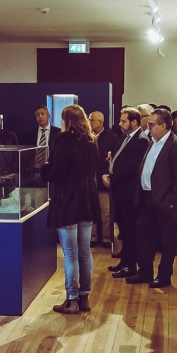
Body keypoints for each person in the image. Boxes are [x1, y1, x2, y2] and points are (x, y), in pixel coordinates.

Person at [41, 105, 101, 315]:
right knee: (85, 251)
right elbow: (94, 169)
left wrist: (44, 170)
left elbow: (58, 174)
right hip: (87, 200)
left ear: (66, 120)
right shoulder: (91, 141)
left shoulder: (63, 140)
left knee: (70, 254)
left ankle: (71, 300)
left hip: (67, 201)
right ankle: (84, 297)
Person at [126, 108, 177, 288]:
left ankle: (164, 276)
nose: (148, 127)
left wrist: (170, 201)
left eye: (152, 124)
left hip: (164, 201)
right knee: (143, 237)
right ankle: (145, 271)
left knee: (167, 241)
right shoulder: (152, 142)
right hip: (146, 198)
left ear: (163, 125)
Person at [104, 107, 149, 280]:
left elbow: (131, 167)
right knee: (123, 229)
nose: (120, 124)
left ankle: (130, 266)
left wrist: (112, 178)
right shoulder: (126, 136)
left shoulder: (141, 140)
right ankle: (124, 262)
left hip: (129, 193)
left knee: (130, 231)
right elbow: (118, 159)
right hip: (119, 190)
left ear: (134, 122)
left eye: (124, 121)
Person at [90, 110, 117, 249]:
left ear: (100, 122)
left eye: (92, 120)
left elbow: (114, 159)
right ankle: (93, 236)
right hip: (89, 181)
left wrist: (107, 174)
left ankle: (106, 237)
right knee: (90, 210)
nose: (89, 122)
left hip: (103, 180)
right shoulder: (86, 136)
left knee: (105, 211)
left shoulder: (111, 137)